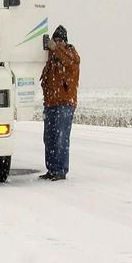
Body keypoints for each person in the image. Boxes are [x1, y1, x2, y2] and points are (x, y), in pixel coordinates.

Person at [39, 25, 80, 181]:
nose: (56, 43)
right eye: (54, 40)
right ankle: (52, 169)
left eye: (59, 40)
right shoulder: (52, 59)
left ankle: (61, 170)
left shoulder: (72, 55)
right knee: (49, 138)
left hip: (65, 103)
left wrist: (55, 49)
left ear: (65, 41)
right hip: (50, 104)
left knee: (61, 138)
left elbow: (70, 61)